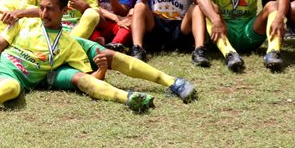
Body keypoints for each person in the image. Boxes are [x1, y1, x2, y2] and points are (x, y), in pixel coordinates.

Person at [44, 33, 196, 113]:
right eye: (42, 9)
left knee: (108, 55)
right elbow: (93, 78)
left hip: (71, 43)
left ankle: (173, 82)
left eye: (49, 8)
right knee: (83, 80)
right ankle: (130, 98)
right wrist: (101, 71)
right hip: (54, 65)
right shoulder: (27, 27)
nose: (44, 13)